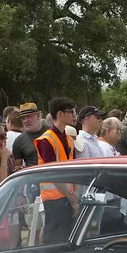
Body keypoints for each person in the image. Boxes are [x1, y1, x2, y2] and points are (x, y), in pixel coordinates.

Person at [35, 97, 79, 243]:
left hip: (67, 196)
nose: (74, 115)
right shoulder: (46, 140)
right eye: (71, 112)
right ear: (60, 114)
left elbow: (74, 169)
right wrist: (72, 198)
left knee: (67, 238)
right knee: (54, 239)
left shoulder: (68, 139)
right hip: (54, 199)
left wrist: (75, 195)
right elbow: (52, 173)